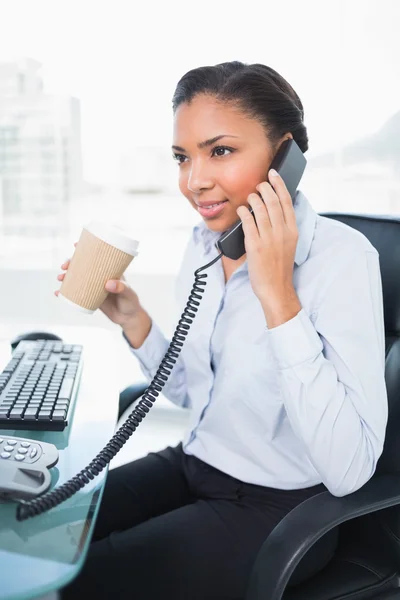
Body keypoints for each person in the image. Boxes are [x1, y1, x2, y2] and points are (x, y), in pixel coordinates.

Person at [57, 61, 388, 599]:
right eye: (183, 157)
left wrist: (278, 294)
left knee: (82, 580)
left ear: (285, 156)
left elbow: (349, 471)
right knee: (35, 530)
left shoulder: (342, 260)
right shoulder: (206, 243)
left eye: (221, 151)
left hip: (281, 503)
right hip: (197, 460)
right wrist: (133, 319)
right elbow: (196, 392)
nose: (195, 181)